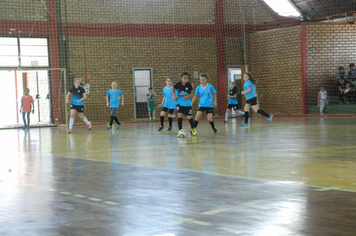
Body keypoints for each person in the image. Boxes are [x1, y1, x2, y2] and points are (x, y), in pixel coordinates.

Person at [172, 72, 196, 136]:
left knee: (189, 117)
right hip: (179, 103)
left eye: (187, 78)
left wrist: (187, 96)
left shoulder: (189, 85)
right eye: (184, 78)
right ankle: (180, 130)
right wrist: (174, 95)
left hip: (187, 104)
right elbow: (173, 89)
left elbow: (191, 94)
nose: (186, 80)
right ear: (181, 78)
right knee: (179, 115)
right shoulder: (178, 84)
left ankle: (193, 128)